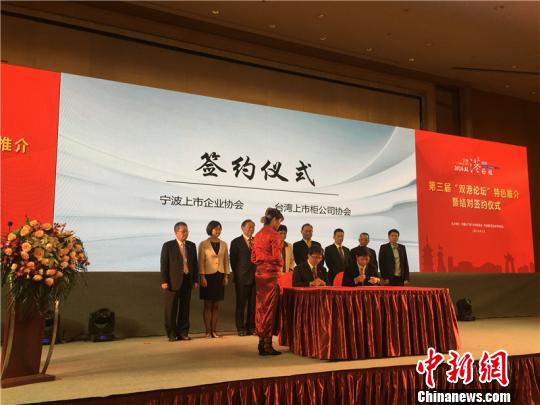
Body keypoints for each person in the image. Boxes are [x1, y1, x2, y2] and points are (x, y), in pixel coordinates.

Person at [251, 207, 284, 355]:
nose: (279, 224)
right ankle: (267, 345)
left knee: (261, 308)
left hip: (260, 274)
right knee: (270, 308)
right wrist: (280, 263)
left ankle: (261, 342)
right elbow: (277, 257)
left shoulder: (258, 234)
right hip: (271, 275)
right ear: (274, 220)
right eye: (279, 221)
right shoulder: (274, 235)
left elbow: (253, 258)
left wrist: (262, 262)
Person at [160, 222, 199, 341]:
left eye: (187, 231)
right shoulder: (168, 245)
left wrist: (195, 280)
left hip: (187, 280)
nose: (185, 233)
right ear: (176, 232)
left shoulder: (191, 245)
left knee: (185, 308)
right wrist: (164, 280)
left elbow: (195, 264)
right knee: (171, 309)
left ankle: (183, 332)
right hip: (172, 281)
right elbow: (164, 264)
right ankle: (171, 333)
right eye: (183, 231)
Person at [198, 220, 230, 338]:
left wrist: (226, 276)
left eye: (220, 229)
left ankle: (214, 331)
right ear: (210, 229)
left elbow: (226, 260)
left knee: (216, 305)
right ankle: (207, 331)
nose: (218, 231)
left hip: (219, 276)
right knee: (208, 304)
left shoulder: (224, 244)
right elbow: (201, 261)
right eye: (216, 228)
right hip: (207, 276)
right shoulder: (203, 244)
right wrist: (202, 276)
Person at [230, 219, 256, 336]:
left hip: (256, 278)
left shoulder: (257, 241)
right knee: (241, 305)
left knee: (253, 305)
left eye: (253, 227)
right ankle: (240, 328)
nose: (252, 229)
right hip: (242, 278)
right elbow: (233, 261)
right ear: (242, 227)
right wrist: (238, 275)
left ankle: (251, 327)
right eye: (249, 227)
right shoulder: (236, 242)